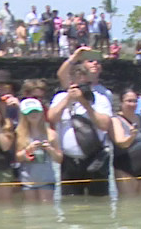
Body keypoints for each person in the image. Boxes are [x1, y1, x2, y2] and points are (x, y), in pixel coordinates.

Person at [47, 66, 113, 196]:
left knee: (99, 202)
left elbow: (105, 125)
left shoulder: (100, 99)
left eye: (85, 84)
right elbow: (51, 117)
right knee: (70, 204)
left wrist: (85, 103)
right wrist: (68, 99)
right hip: (69, 161)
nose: (81, 88)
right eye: (78, 85)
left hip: (95, 159)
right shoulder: (60, 97)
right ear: (71, 83)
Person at [13, 98, 60, 202]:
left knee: (47, 210)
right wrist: (28, 151)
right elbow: (16, 158)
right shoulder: (18, 134)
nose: (33, 115)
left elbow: (59, 159)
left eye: (36, 111)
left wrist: (49, 149)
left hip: (47, 179)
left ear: (41, 113)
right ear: (24, 115)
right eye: (29, 112)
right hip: (28, 180)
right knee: (31, 211)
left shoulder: (51, 134)